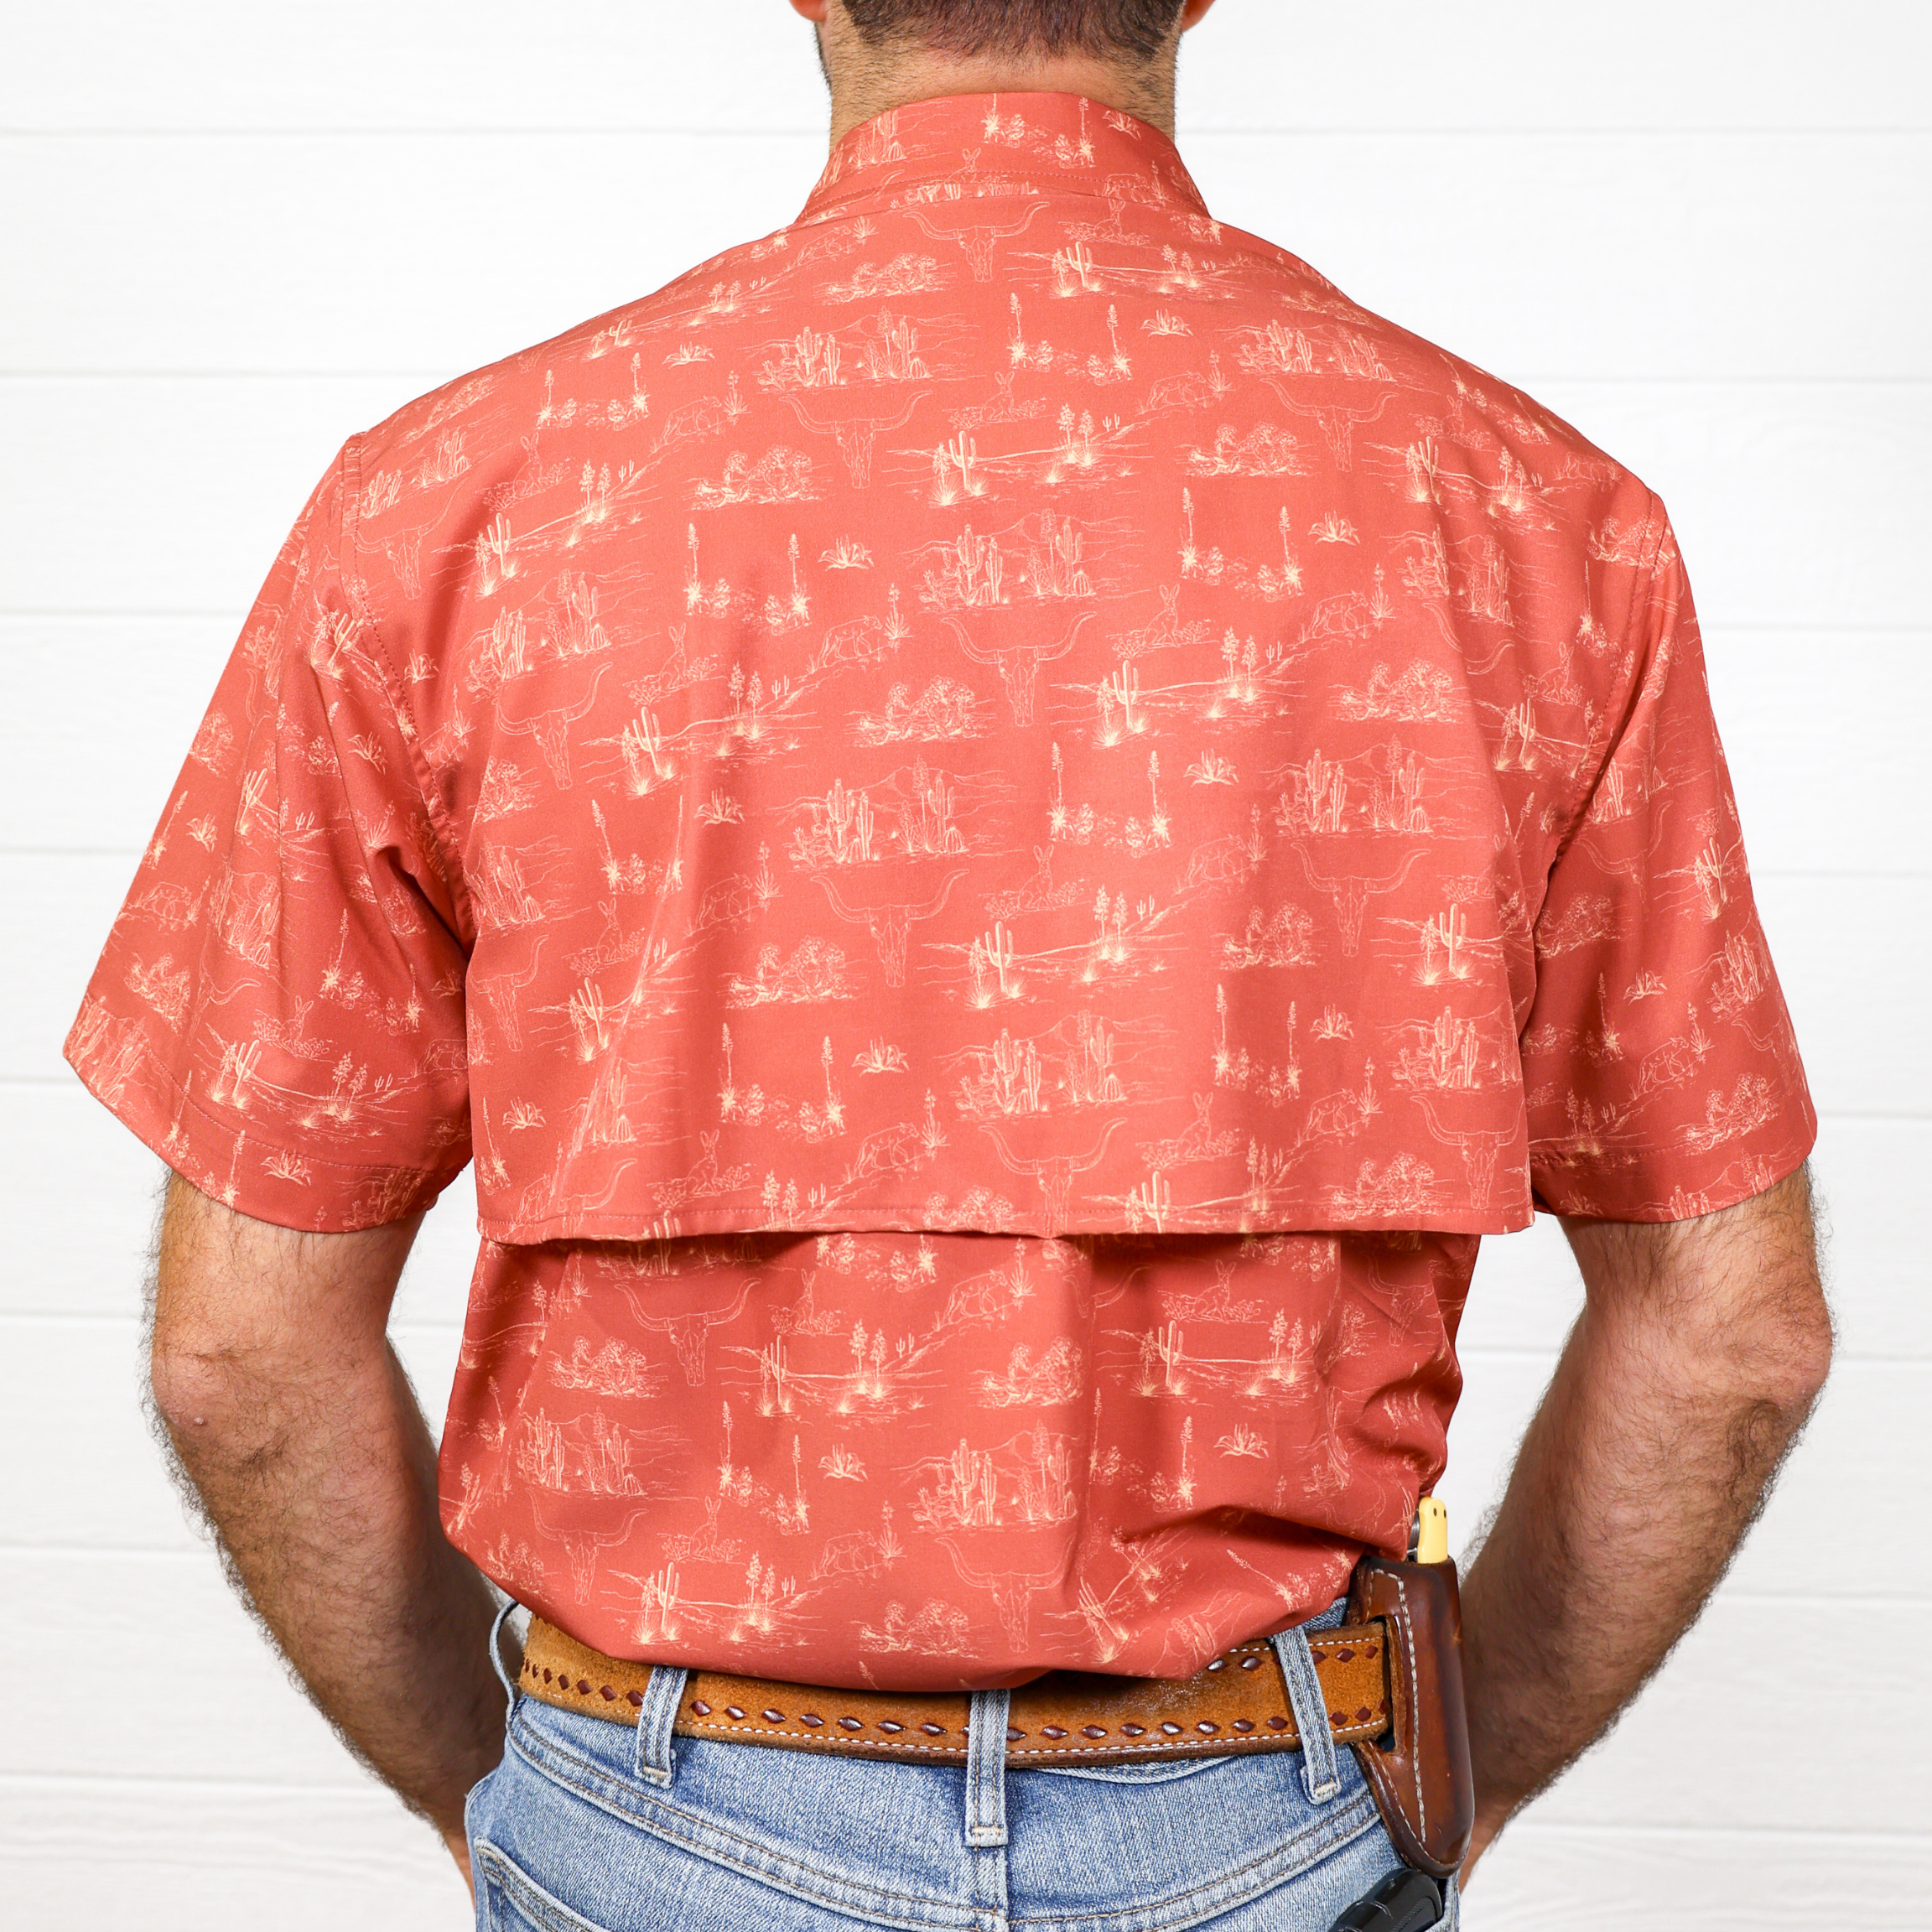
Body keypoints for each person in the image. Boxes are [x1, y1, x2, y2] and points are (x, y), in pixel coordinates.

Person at [66, 2, 1833, 1924]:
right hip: (1269, 1827)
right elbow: (1730, 1335)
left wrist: (506, 1788)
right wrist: (1438, 1771)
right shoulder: (1532, 527)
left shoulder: (448, 514)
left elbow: (241, 1350)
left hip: (648, 1823)